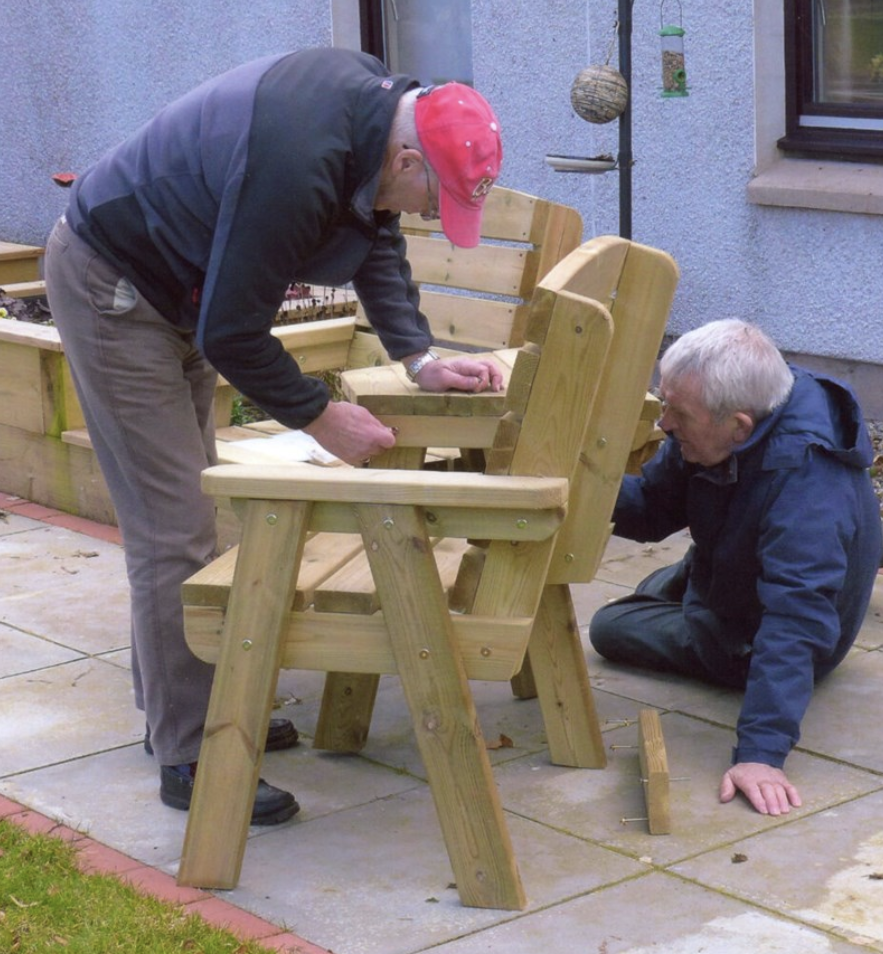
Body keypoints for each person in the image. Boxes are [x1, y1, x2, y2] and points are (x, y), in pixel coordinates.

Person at [43, 47, 504, 824]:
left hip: (179, 287)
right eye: (432, 198)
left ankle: (179, 710)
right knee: (176, 529)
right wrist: (321, 417)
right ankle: (193, 753)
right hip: (117, 290)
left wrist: (418, 358)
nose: (427, 216)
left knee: (183, 516)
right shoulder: (297, 159)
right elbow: (233, 332)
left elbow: (375, 233)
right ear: (403, 155)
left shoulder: (370, 118)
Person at [589, 319, 882, 817]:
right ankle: (695, 599)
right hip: (732, 559)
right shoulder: (739, 403)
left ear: (739, 426)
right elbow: (653, 509)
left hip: (779, 628)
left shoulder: (807, 487)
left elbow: (796, 619)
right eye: (665, 403)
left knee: (610, 625)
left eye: (675, 412)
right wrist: (575, 481)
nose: (663, 424)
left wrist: (761, 754)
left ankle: (705, 620)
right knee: (665, 583)